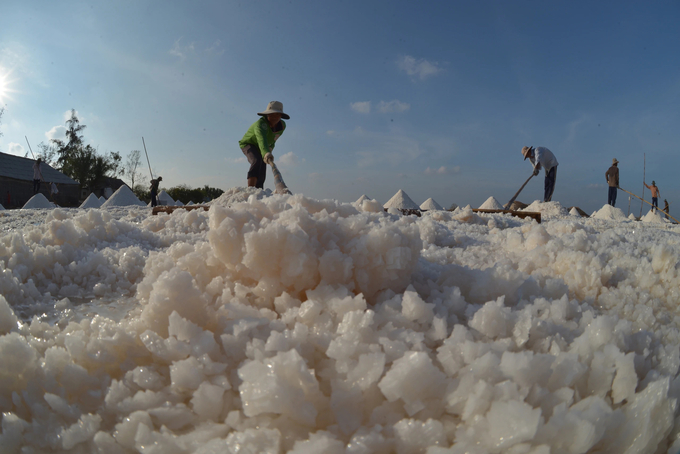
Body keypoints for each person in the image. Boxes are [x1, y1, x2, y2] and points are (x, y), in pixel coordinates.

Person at [239, 101, 289, 189]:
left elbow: (273, 140)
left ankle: (259, 190)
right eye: (271, 114)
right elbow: (261, 139)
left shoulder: (282, 126)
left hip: (263, 147)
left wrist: (270, 149)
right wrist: (266, 152)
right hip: (249, 144)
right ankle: (250, 189)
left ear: (280, 116)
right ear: (267, 115)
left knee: (263, 166)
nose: (274, 117)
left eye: (277, 115)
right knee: (257, 160)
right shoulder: (260, 124)